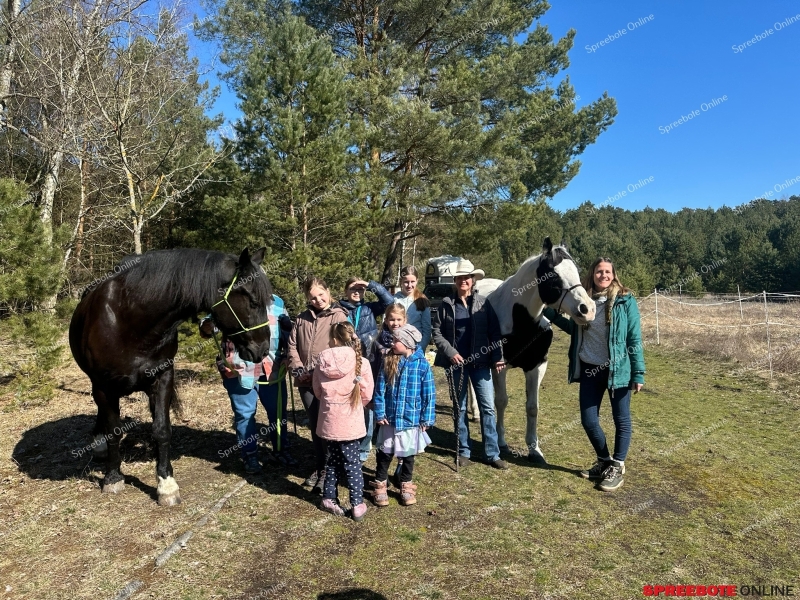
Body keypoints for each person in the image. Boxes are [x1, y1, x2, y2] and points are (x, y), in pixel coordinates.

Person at [543, 257, 645, 492]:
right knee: (588, 420)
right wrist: (551, 313)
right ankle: (604, 460)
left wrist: (638, 372)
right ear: (592, 274)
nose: (604, 275)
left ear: (613, 274)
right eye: (599, 271)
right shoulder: (585, 300)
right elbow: (574, 329)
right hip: (590, 368)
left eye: (608, 271)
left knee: (622, 419)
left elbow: (634, 338)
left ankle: (618, 466)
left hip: (618, 368)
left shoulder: (624, 300)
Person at [200, 293, 295, 473]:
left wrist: (288, 356)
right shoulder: (231, 300)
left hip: (272, 368)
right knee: (245, 415)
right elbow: (207, 329)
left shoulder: (278, 302)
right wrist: (208, 325)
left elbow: (287, 333)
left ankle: (281, 451)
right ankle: (249, 455)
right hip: (239, 370)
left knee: (278, 414)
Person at [432, 259, 508, 470]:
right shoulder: (447, 304)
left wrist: (498, 356)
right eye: (460, 277)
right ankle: (463, 450)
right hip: (456, 364)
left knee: (488, 409)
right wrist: (451, 352)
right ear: (455, 281)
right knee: (460, 408)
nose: (463, 280)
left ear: (473, 280)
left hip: (481, 364)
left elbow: (494, 331)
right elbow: (436, 332)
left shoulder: (484, 303)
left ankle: (492, 453)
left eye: (467, 277)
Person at [287, 277, 348, 492]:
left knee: (328, 426)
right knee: (315, 426)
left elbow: (345, 347)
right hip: (305, 382)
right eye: (313, 297)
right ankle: (321, 466)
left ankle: (331, 470)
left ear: (328, 292)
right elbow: (292, 346)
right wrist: (298, 369)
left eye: (321, 295)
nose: (318, 300)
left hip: (329, 383)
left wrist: (316, 372)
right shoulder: (301, 319)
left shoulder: (339, 316)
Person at [312, 322, 375, 521]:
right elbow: (367, 393)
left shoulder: (322, 361)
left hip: (330, 420)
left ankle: (329, 498)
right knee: (353, 464)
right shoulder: (361, 362)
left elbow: (318, 391)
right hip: (351, 422)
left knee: (331, 461)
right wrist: (357, 406)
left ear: (335, 339)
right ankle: (357, 503)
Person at [370, 324, 435, 507]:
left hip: (410, 421)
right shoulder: (389, 361)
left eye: (396, 340)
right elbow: (380, 389)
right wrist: (380, 412)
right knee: (384, 454)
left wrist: (426, 418)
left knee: (408, 456)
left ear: (407, 343)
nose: (393, 342)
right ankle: (380, 485)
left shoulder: (422, 365)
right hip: (389, 420)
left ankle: (405, 486)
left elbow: (429, 394)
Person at [338, 277, 394, 463]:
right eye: (353, 288)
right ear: (345, 291)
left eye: (360, 289)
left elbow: (389, 302)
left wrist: (371, 285)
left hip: (368, 361)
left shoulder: (370, 308)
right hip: (345, 361)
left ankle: (363, 449)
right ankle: (347, 441)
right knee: (347, 402)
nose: (357, 292)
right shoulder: (339, 310)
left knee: (366, 401)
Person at [393, 266, 432, 350]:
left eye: (412, 282)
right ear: (401, 281)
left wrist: (420, 349)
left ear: (417, 281)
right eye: (406, 282)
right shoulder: (394, 299)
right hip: (396, 347)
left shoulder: (422, 301)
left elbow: (427, 330)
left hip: (416, 347)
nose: (409, 285)